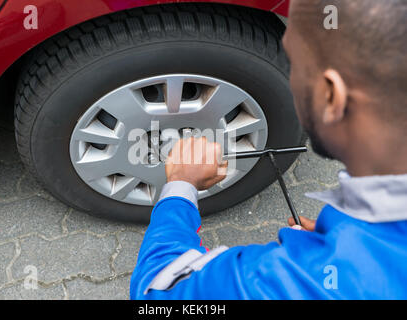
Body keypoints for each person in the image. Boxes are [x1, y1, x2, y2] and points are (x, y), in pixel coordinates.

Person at [130, 0, 407, 299]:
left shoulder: (295, 283)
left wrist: (181, 185)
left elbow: (156, 292)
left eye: (294, 64)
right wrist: (343, 238)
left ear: (330, 96)